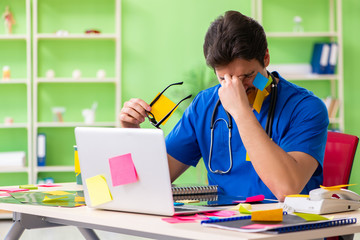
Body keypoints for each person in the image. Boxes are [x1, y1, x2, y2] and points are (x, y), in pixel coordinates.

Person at [119, 11, 329, 201]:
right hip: (221, 226)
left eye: (247, 76)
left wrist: (241, 112)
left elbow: (287, 189)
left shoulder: (306, 108)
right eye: (225, 79)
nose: (237, 87)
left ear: (265, 58)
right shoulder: (205, 105)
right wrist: (131, 132)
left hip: (288, 228)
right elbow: (155, 179)